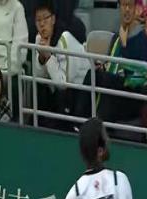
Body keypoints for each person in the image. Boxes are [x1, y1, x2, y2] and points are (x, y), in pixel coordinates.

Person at [33, 0, 90, 129]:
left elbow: (64, 84)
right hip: (58, 88)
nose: (42, 24)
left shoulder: (65, 38)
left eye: (45, 19)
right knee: (39, 88)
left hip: (80, 90)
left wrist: (48, 57)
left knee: (60, 95)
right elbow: (39, 76)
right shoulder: (39, 38)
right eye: (38, 20)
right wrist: (41, 58)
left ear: (53, 19)